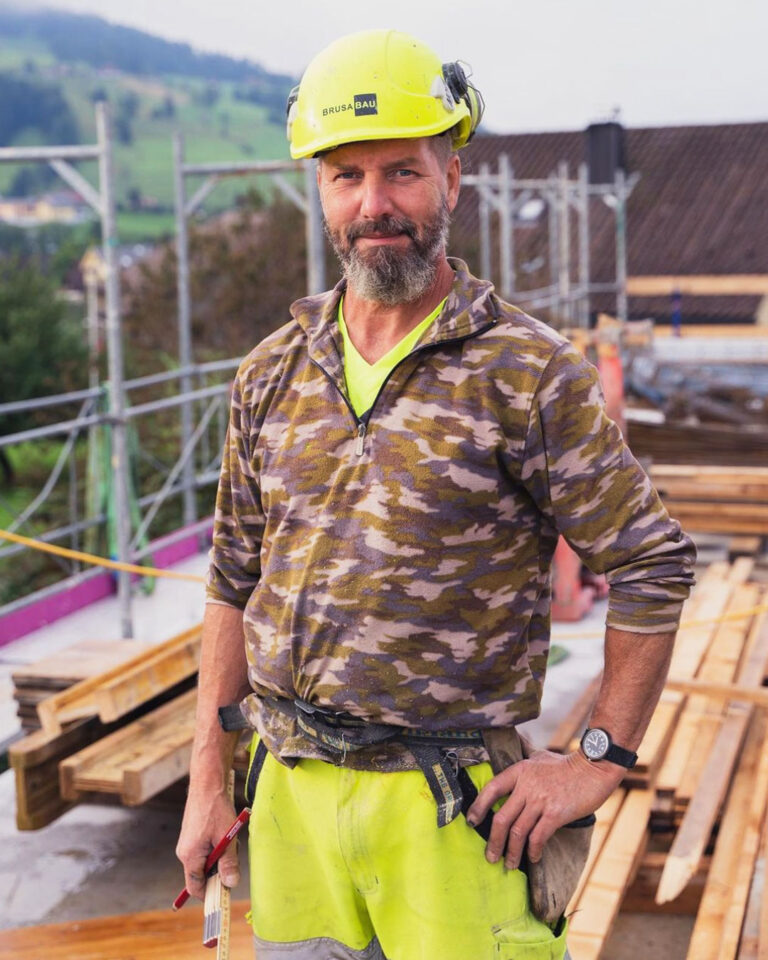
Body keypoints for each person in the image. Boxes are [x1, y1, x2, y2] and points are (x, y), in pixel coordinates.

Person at [177, 29, 696, 960]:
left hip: (454, 812)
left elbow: (651, 562)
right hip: (291, 801)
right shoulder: (269, 374)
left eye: (402, 173)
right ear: (321, 192)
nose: (375, 205)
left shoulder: (527, 373)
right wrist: (206, 775)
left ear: (452, 178)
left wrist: (596, 761)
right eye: (346, 177)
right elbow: (230, 577)